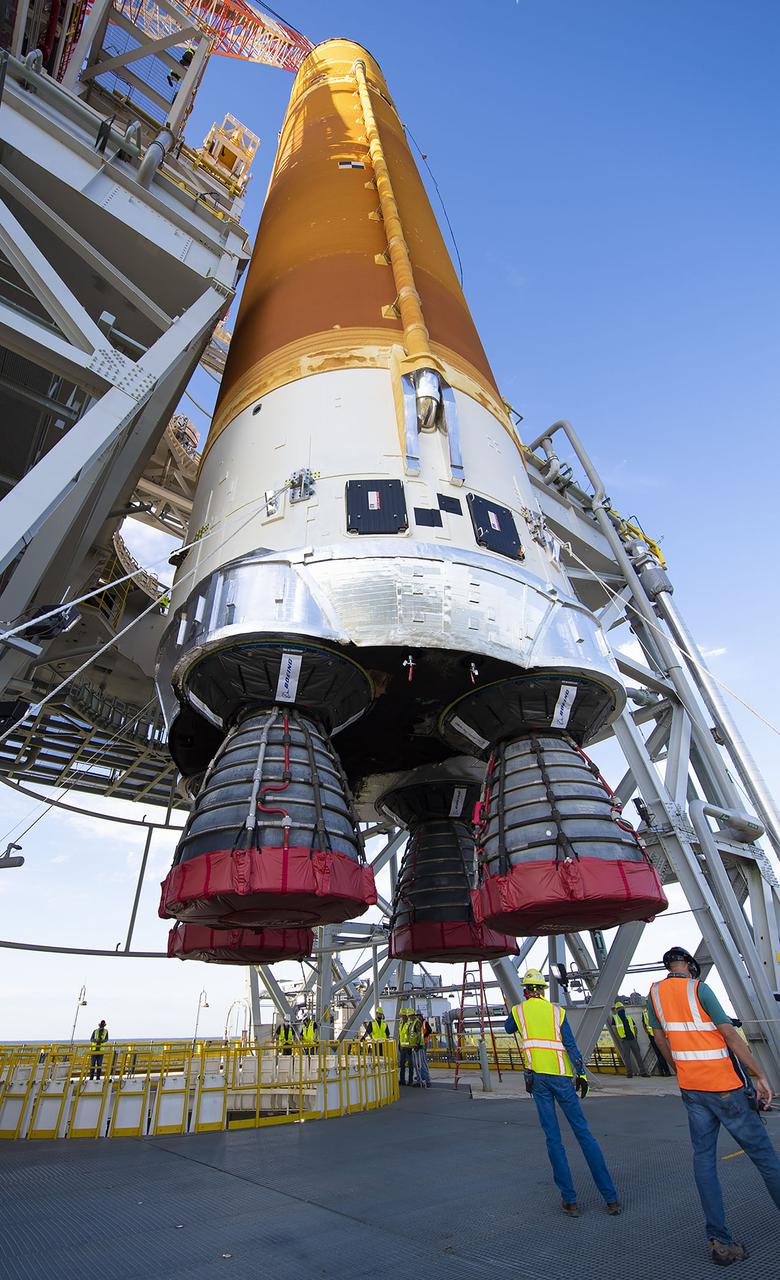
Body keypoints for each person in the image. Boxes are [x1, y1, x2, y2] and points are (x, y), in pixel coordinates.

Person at [647, 946, 780, 1266]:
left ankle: (719, 1240)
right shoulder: (699, 989)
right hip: (726, 1090)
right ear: (690, 967)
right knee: (765, 1159)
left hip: (692, 1090)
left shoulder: (654, 994)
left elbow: (661, 1039)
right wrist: (759, 1074)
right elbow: (732, 1038)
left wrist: (681, 1069)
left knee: (704, 1161)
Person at [506, 969, 621, 1218]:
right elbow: (569, 1044)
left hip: (538, 1080)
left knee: (553, 1139)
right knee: (584, 1134)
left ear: (526, 991)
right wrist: (580, 1074)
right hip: (562, 1078)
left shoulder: (518, 1011)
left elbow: (508, 1028)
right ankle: (610, 1198)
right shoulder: (557, 1012)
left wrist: (514, 1007)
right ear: (543, 991)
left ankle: (570, 1201)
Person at [610, 1000, 648, 1077]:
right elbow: (635, 1028)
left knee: (628, 1057)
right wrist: (634, 1036)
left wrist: (620, 1038)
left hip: (626, 1039)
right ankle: (641, 1072)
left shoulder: (620, 1017)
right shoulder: (623, 1018)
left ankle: (631, 1073)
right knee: (636, 1056)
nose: (621, 1010)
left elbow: (615, 1029)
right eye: (620, 1008)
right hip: (629, 1039)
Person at [642, 1006, 671, 1077]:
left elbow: (644, 1024)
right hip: (658, 1034)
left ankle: (662, 1072)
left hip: (652, 1035)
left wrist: (648, 1032)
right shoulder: (656, 1009)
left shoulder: (644, 1012)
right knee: (663, 1053)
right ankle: (666, 1071)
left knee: (658, 1054)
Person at [398, 1006, 415, 1086]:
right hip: (402, 1047)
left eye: (402, 1016)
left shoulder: (409, 1024)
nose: (401, 1017)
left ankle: (410, 1081)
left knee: (410, 1064)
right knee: (402, 1064)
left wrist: (411, 1046)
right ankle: (402, 1080)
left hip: (408, 1048)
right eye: (401, 1016)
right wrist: (399, 1044)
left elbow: (412, 1036)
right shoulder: (401, 1024)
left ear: (405, 1015)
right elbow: (400, 1035)